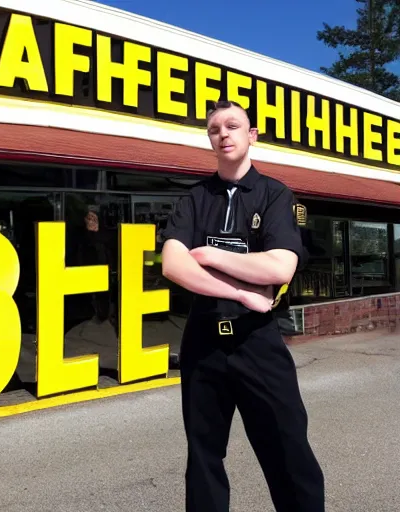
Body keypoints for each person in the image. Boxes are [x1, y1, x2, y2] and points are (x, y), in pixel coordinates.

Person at [161, 100, 325, 512]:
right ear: (210, 140)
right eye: (215, 128)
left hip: (258, 341)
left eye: (233, 125)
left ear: (251, 136)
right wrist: (240, 290)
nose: (224, 133)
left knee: (289, 452)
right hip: (204, 341)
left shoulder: (275, 195)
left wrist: (210, 255)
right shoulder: (194, 199)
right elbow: (173, 264)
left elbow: (280, 264)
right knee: (203, 458)